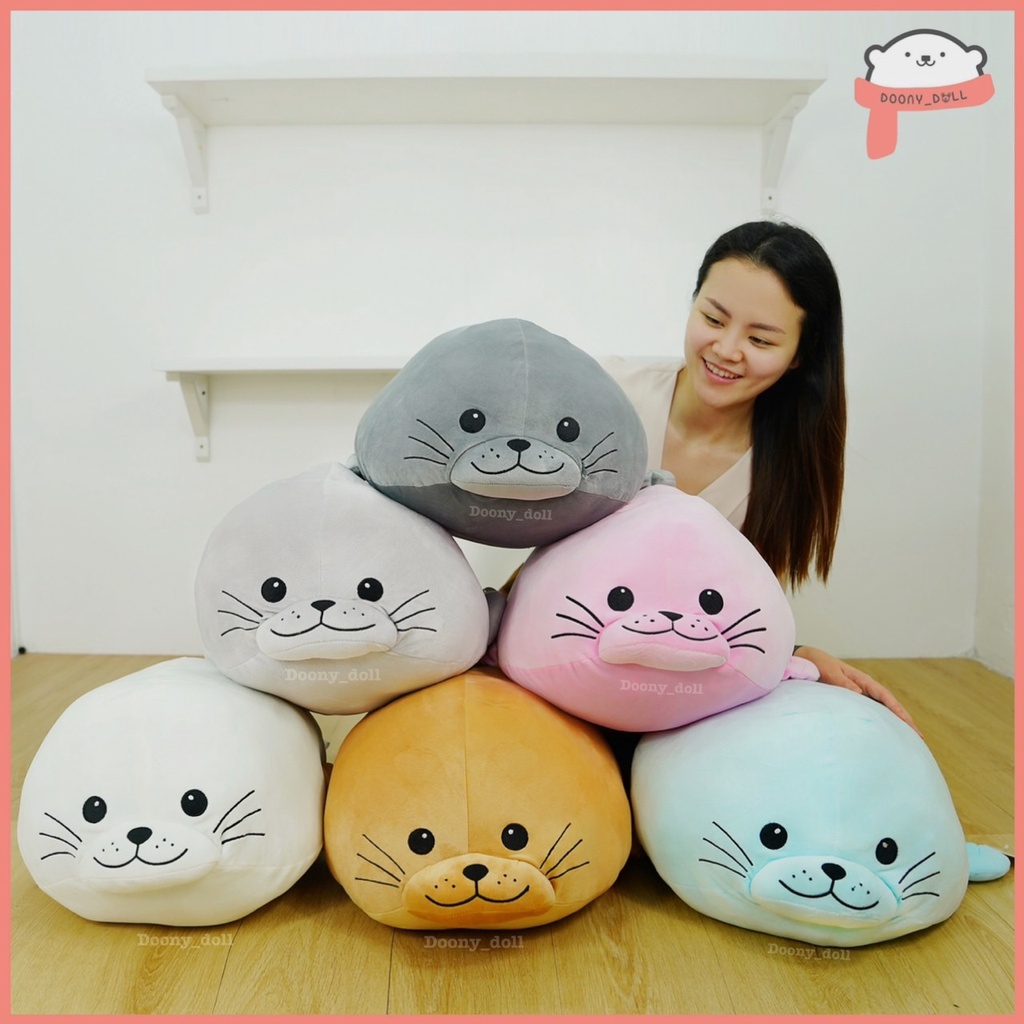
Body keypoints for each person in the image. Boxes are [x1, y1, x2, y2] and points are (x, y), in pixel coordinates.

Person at [605, 219, 916, 730]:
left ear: (799, 357)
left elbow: (735, 609)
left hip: (685, 683)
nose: (727, 349)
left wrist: (798, 654)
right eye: (713, 317)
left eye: (761, 339)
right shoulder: (609, 395)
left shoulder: (789, 462)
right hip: (578, 657)